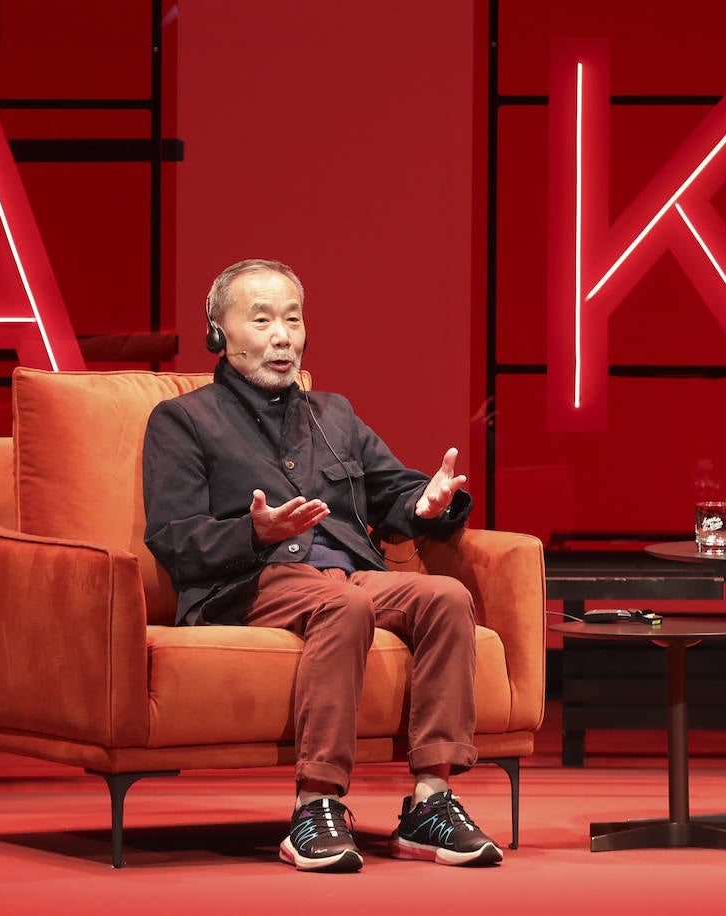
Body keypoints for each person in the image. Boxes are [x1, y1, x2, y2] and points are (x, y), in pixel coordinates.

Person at [141, 258, 502, 872]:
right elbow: (173, 537)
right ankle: (317, 806)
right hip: (250, 581)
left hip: (349, 574)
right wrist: (253, 533)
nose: (282, 335)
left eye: (293, 318)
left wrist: (430, 501)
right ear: (218, 332)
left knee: (445, 596)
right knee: (346, 603)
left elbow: (397, 494)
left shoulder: (332, 415)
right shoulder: (183, 420)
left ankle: (430, 802)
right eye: (261, 319)